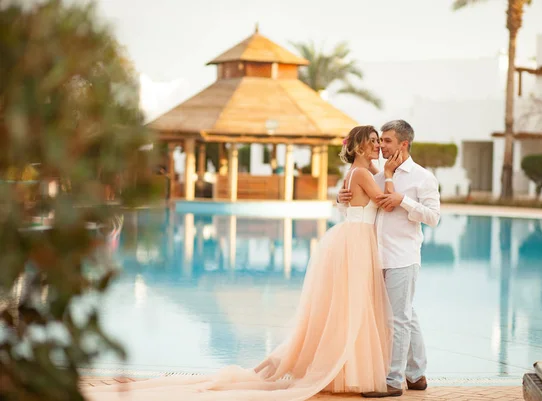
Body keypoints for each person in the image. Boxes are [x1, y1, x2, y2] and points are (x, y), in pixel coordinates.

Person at [84, 125, 404, 401]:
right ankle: (350, 372)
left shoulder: (358, 173)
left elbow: (353, 197)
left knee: (350, 307)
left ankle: (346, 370)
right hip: (356, 242)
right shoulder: (365, 173)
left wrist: (360, 185)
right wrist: (389, 176)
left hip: (352, 239)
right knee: (354, 306)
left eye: (380, 141)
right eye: (374, 140)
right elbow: (383, 203)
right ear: (361, 145)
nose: (378, 146)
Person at [338, 120, 440, 398]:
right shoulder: (380, 175)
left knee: (399, 319)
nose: (380, 146)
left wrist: (403, 201)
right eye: (379, 141)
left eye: (386, 141)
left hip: (402, 257)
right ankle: (416, 375)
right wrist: (341, 197)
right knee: (406, 315)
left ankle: (394, 381)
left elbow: (433, 217)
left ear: (403, 144)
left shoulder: (423, 178)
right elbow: (360, 201)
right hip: (375, 257)